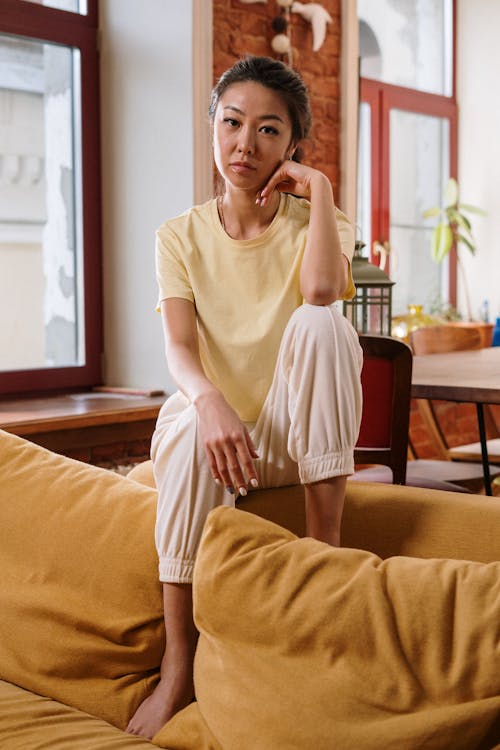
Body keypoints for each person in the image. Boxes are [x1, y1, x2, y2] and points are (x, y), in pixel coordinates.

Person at [126, 55, 363, 739]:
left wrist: (317, 191)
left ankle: (326, 547)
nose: (244, 144)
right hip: (220, 434)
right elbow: (178, 349)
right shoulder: (178, 236)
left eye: (268, 130)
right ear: (212, 127)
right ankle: (179, 667)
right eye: (232, 123)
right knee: (192, 426)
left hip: (291, 439)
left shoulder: (320, 219)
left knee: (324, 324)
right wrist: (209, 401)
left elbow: (320, 293)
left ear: (292, 146)